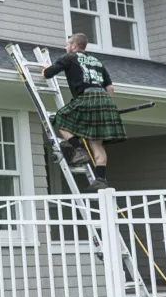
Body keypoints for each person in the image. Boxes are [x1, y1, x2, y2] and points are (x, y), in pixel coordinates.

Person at [44, 33, 127, 190]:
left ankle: (79, 150)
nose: (66, 47)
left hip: (87, 96)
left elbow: (48, 74)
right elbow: (110, 88)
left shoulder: (69, 57)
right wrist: (105, 107)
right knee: (97, 143)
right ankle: (101, 179)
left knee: (61, 119)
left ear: (74, 46)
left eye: (67, 44)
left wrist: (44, 69)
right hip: (105, 99)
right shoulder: (96, 61)